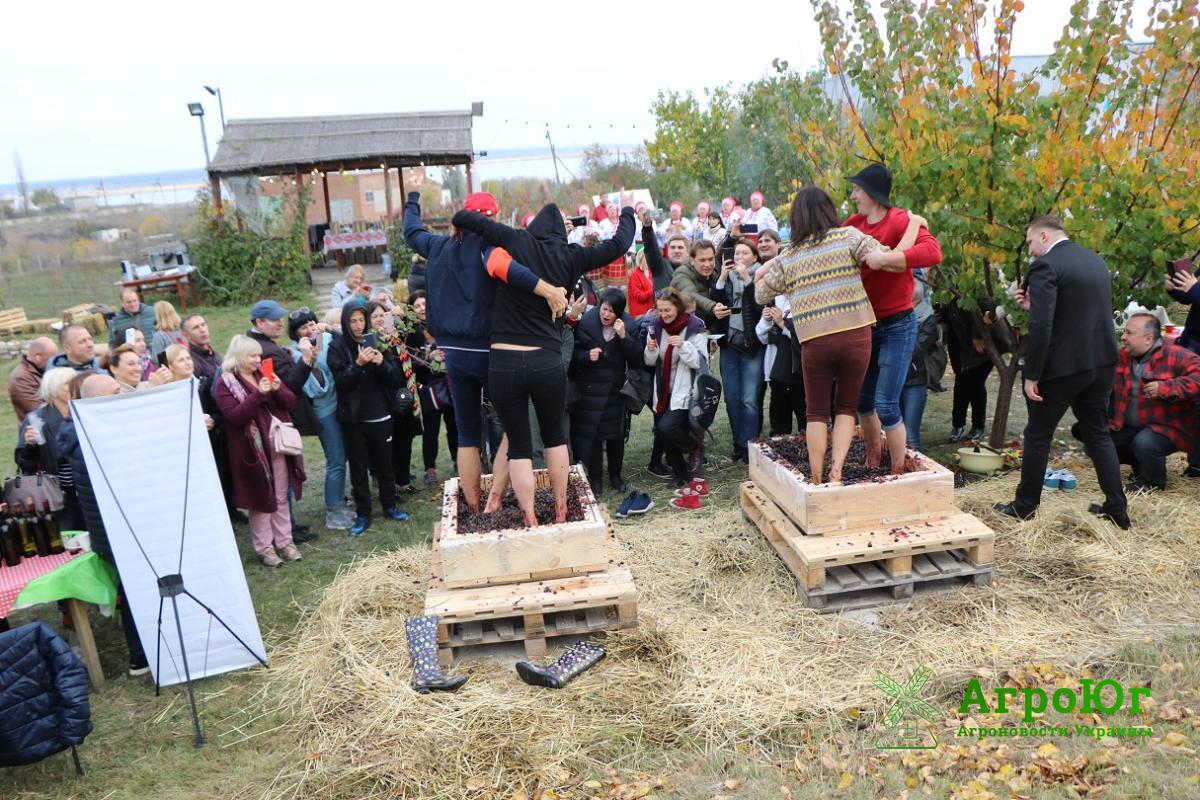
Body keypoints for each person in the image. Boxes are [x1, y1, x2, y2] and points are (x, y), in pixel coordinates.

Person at [451, 200, 636, 526]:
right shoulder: (572, 256)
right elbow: (620, 244)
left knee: (519, 446)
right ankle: (562, 508)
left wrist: (464, 222)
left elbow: (464, 219)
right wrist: (629, 214)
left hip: (504, 362)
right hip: (546, 362)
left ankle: (529, 516)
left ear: (533, 227)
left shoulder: (516, 240)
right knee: (554, 438)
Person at [403, 176, 567, 512]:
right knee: (515, 427)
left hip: (453, 354)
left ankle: (475, 506)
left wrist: (414, 195)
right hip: (488, 352)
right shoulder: (489, 248)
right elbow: (509, 270)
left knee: (467, 433)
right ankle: (495, 499)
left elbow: (410, 231)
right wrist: (549, 290)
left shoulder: (435, 246)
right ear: (489, 218)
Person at [754, 187, 924, 483]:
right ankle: (837, 472)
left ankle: (817, 477)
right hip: (856, 337)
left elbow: (759, 293)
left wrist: (771, 264)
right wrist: (914, 225)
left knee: (816, 412)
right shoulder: (848, 236)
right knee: (846, 407)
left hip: (813, 342)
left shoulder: (790, 255)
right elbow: (890, 257)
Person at [994, 216, 1129, 528]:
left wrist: (1032, 373)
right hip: (1102, 362)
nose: (1030, 250)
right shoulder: (1094, 261)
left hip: (1064, 367)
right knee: (1098, 433)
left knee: (1038, 435)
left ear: (1044, 235)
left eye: (1029, 242)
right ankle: (1117, 508)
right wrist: (1033, 304)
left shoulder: (1045, 266)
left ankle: (1025, 506)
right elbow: (1076, 310)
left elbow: (1042, 325)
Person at [844, 163, 943, 472]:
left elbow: (933, 252)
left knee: (887, 404)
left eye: (858, 189)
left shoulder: (901, 220)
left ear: (872, 192)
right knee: (862, 401)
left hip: (898, 325)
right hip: (864, 324)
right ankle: (875, 457)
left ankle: (897, 469)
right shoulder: (853, 223)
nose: (853, 194)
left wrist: (889, 258)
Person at [56, 373, 150, 674]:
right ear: (97, 400)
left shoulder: (82, 431)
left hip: (111, 530)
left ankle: (144, 652)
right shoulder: (91, 437)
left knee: (133, 588)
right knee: (136, 591)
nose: (120, 393)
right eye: (114, 391)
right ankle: (140, 656)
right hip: (115, 530)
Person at [215, 335, 306, 566]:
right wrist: (259, 394)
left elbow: (289, 402)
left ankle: (285, 541)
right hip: (252, 452)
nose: (258, 359)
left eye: (259, 355)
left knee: (280, 496)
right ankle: (265, 548)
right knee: (261, 501)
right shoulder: (225, 383)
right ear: (239, 357)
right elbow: (235, 417)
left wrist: (276, 389)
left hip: (277, 445)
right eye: (253, 355)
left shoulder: (263, 374)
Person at [326, 302, 411, 535]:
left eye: (361, 320)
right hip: (354, 420)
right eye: (352, 321)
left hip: (381, 414)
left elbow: (394, 379)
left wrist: (382, 363)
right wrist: (359, 365)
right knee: (359, 469)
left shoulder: (376, 341)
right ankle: (363, 513)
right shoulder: (337, 347)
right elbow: (342, 383)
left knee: (385, 465)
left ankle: (390, 506)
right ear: (345, 322)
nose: (357, 325)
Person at [1105, 313, 1200, 492]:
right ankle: (1141, 468)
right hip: (1131, 424)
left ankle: (1152, 483)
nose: (1123, 337)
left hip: (1168, 428)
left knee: (1145, 442)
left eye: (1129, 333)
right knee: (1097, 439)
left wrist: (1167, 387)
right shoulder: (1123, 356)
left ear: (1148, 339)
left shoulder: (1176, 355)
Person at [285, 309, 354, 530]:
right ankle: (332, 510)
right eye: (303, 327)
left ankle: (341, 500)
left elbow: (351, 337)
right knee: (335, 460)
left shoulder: (330, 339)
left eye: (312, 323)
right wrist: (311, 360)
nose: (310, 329)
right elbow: (317, 389)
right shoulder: (298, 355)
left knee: (343, 458)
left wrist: (330, 327)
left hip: (343, 407)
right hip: (325, 412)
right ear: (296, 334)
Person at [569, 289, 641, 496]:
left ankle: (616, 475)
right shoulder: (587, 323)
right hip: (589, 389)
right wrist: (586, 355)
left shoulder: (627, 325)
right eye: (604, 309)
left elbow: (636, 359)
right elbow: (572, 355)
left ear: (619, 312)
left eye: (611, 310)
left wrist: (623, 337)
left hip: (615, 390)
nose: (606, 314)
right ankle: (596, 478)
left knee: (616, 437)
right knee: (593, 436)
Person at [644, 288, 708, 491]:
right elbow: (649, 361)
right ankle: (681, 474)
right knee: (663, 433)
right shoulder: (655, 326)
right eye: (660, 310)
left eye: (667, 310)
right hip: (663, 390)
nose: (663, 315)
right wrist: (651, 350)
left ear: (678, 307)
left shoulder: (694, 326)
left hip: (685, 389)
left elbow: (700, 361)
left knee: (666, 428)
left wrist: (683, 346)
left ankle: (694, 446)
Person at [713, 237, 765, 461]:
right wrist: (723, 277)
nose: (739, 257)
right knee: (732, 397)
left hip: (752, 343)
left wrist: (747, 279)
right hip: (730, 344)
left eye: (745, 253)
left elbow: (760, 306)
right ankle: (738, 442)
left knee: (749, 398)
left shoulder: (761, 274)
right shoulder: (727, 276)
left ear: (754, 257)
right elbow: (714, 301)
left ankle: (749, 445)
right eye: (737, 253)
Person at [14, 367, 84, 530]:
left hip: (87, 491)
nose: (76, 387)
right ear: (54, 391)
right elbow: (25, 464)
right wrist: (30, 446)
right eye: (69, 383)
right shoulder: (36, 420)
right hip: (59, 497)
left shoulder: (83, 411)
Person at [405, 292, 458, 485]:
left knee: (454, 426)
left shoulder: (441, 323)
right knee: (431, 430)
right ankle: (430, 468)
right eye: (417, 306)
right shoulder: (410, 333)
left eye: (424, 304)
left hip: (449, 383)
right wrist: (428, 358)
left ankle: (457, 459)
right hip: (428, 388)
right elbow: (410, 361)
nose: (421, 308)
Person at [899, 272, 941, 452]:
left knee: (911, 433)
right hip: (897, 379)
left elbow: (913, 349)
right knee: (894, 430)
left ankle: (921, 473)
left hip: (915, 381)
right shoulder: (900, 315)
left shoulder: (928, 320)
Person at [1166, 260, 1200, 478]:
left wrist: (1195, 289)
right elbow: (1190, 294)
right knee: (1192, 405)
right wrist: (1176, 289)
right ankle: (1196, 463)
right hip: (1194, 343)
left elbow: (1195, 290)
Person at [757, 297, 806, 436]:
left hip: (800, 374)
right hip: (778, 373)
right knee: (779, 426)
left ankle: (809, 454)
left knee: (806, 423)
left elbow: (804, 337)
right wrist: (766, 320)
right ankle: (777, 456)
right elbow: (762, 337)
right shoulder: (775, 300)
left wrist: (781, 322)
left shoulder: (804, 299)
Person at [629, 209, 683, 317]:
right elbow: (651, 249)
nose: (676, 250)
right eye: (673, 247)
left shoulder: (692, 267)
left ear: (688, 250)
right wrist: (647, 228)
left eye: (680, 247)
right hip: (662, 318)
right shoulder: (660, 266)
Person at [670, 240, 732, 330]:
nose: (707, 264)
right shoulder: (681, 273)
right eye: (702, 260)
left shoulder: (714, 275)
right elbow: (691, 295)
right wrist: (713, 307)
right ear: (692, 260)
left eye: (710, 259)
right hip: (683, 333)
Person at [8, 336, 57, 421]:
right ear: (37, 357)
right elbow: (39, 410)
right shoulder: (21, 378)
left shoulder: (43, 370)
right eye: (50, 359)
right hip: (37, 429)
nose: (53, 363)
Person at [103, 344, 169, 393]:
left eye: (139, 363)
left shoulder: (149, 384)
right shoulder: (111, 394)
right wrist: (153, 389)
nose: (137, 368)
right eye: (130, 364)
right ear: (114, 369)